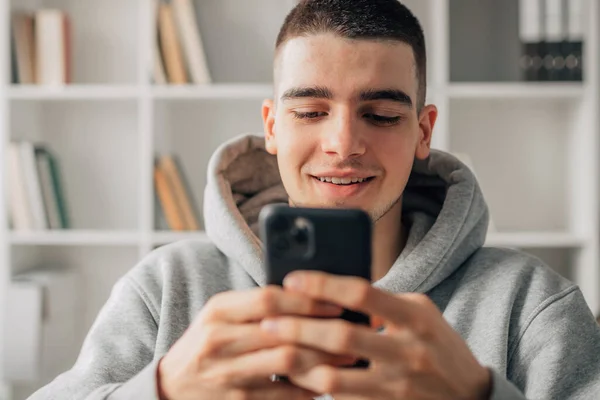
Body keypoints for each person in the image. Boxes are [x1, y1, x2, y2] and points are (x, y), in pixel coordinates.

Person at [27, 1, 600, 399]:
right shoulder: (165, 290)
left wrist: (481, 396)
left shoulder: (530, 306)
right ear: (272, 127)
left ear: (423, 133)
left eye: (380, 115)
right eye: (309, 112)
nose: (344, 144)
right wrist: (162, 391)